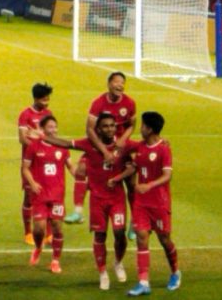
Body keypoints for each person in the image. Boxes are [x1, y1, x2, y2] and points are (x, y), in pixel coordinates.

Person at [43, 113, 131, 290]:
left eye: (112, 125)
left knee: (120, 233)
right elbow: (67, 144)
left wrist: (162, 143)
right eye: (105, 126)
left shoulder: (122, 145)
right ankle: (102, 272)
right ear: (98, 129)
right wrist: (44, 138)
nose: (110, 129)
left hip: (117, 199)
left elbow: (140, 151)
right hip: (97, 200)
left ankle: (118, 262)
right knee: (100, 236)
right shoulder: (89, 144)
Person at [66, 73, 137, 234]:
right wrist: (104, 151)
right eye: (116, 82)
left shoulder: (129, 103)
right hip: (101, 145)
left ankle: (135, 220)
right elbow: (89, 129)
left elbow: (133, 124)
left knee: (131, 182)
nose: (120, 85)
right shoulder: (98, 103)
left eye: (122, 83)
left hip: (120, 147)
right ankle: (78, 211)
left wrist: (123, 139)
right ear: (109, 84)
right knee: (81, 169)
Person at [125, 112, 181, 296]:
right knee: (142, 237)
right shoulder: (140, 147)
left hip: (159, 203)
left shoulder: (164, 149)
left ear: (149, 129)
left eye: (142, 126)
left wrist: (148, 185)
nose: (140, 129)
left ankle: (175, 272)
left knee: (164, 239)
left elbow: (167, 175)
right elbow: (132, 160)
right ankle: (143, 282)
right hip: (141, 203)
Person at [22, 115, 75, 274]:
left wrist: (80, 178)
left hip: (57, 195)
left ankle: (55, 260)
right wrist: (32, 183)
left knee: (58, 228)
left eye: (55, 127)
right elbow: (25, 168)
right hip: (39, 194)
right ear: (43, 129)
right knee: (38, 229)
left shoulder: (62, 147)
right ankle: (38, 247)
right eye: (50, 127)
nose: (54, 130)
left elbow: (70, 167)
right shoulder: (34, 147)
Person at [17, 83, 54, 245]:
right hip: (30, 162)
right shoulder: (25, 115)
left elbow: (51, 136)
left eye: (48, 99)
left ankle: (49, 233)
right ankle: (28, 233)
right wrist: (38, 140)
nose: (46, 103)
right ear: (36, 98)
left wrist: (38, 136)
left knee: (49, 196)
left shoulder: (48, 114)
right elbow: (22, 138)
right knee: (29, 197)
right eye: (44, 99)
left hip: (46, 162)